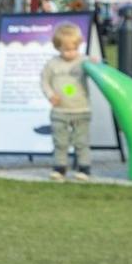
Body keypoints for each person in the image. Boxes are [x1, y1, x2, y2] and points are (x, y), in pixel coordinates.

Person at [41, 22, 93, 181]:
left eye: (74, 49)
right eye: (67, 50)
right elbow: (44, 81)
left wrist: (95, 62)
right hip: (60, 111)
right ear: (58, 47)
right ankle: (60, 167)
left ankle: (84, 168)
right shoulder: (52, 64)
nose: (71, 53)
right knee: (60, 141)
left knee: (81, 141)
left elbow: (98, 69)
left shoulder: (84, 61)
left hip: (81, 110)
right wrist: (50, 95)